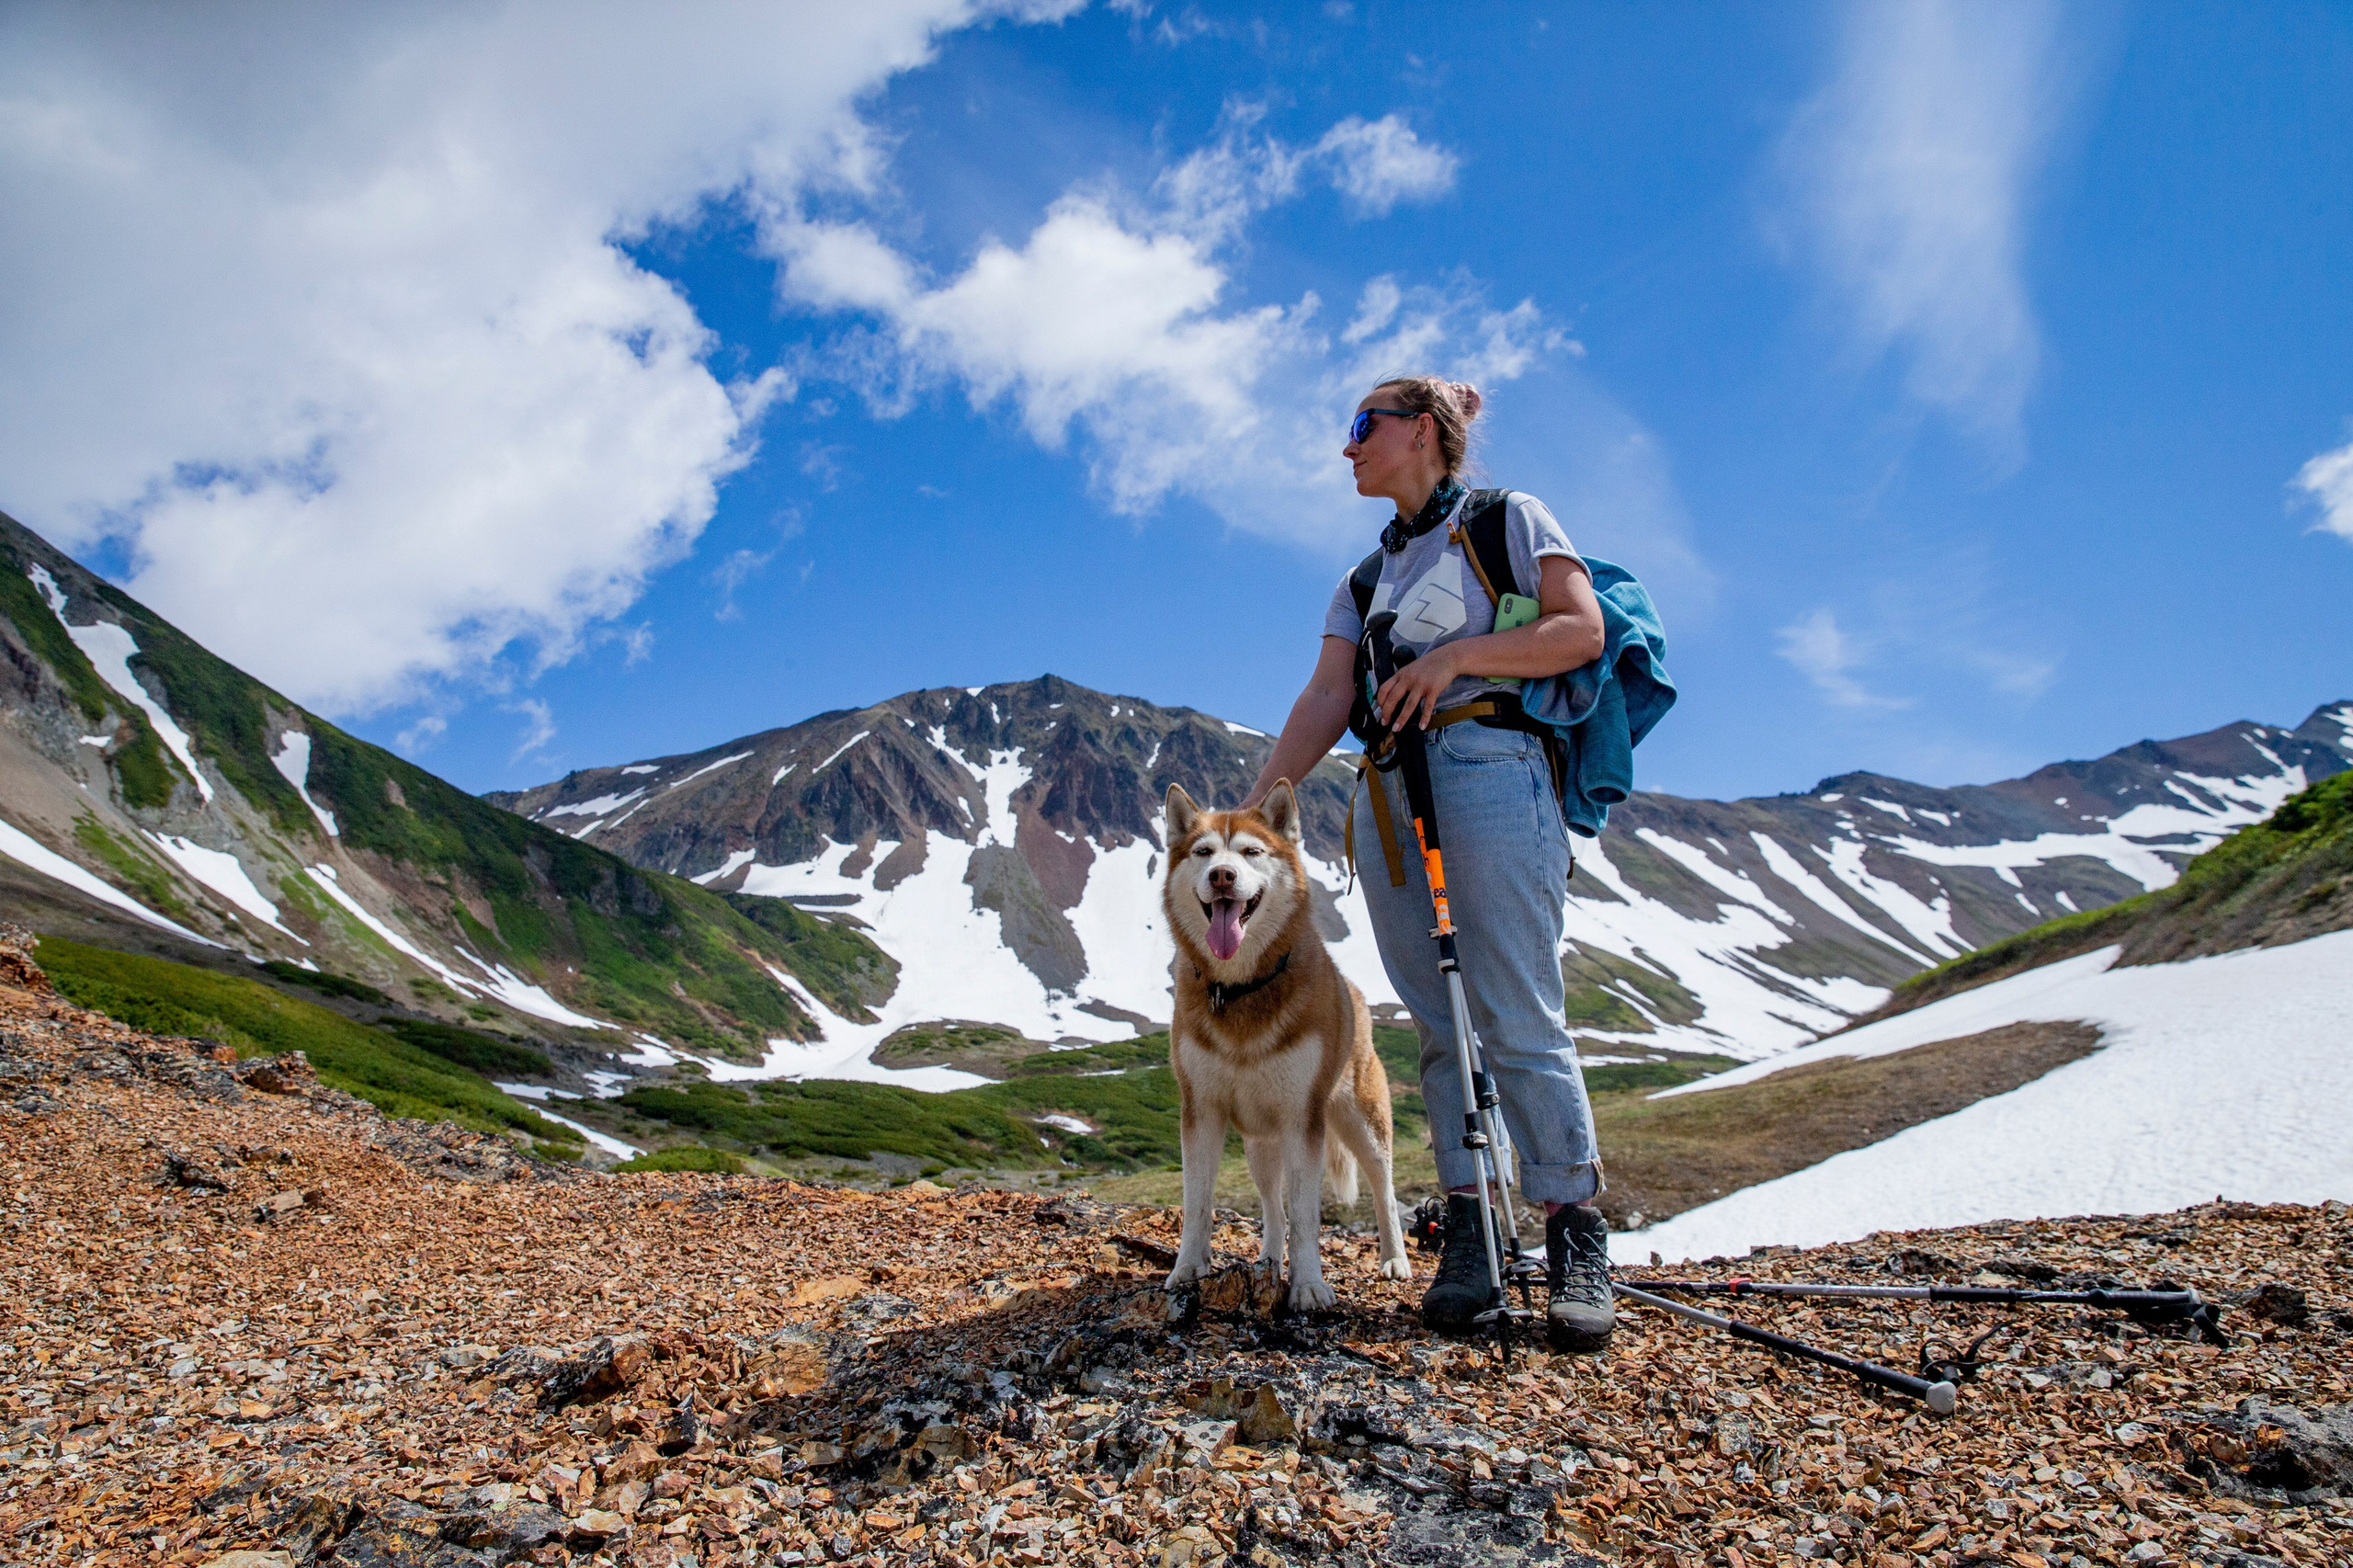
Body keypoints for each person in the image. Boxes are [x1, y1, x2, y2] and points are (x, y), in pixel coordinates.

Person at [1238, 374, 1617, 1354]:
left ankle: (1573, 1227)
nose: (1348, 445)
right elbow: (1328, 696)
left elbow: (1581, 629)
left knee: (1516, 1006)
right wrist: (1256, 811)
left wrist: (1453, 661)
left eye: (1364, 426)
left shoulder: (1507, 519)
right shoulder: (1361, 580)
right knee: (1438, 1021)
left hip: (1492, 765)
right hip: (1391, 792)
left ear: (1423, 432)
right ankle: (1472, 1233)